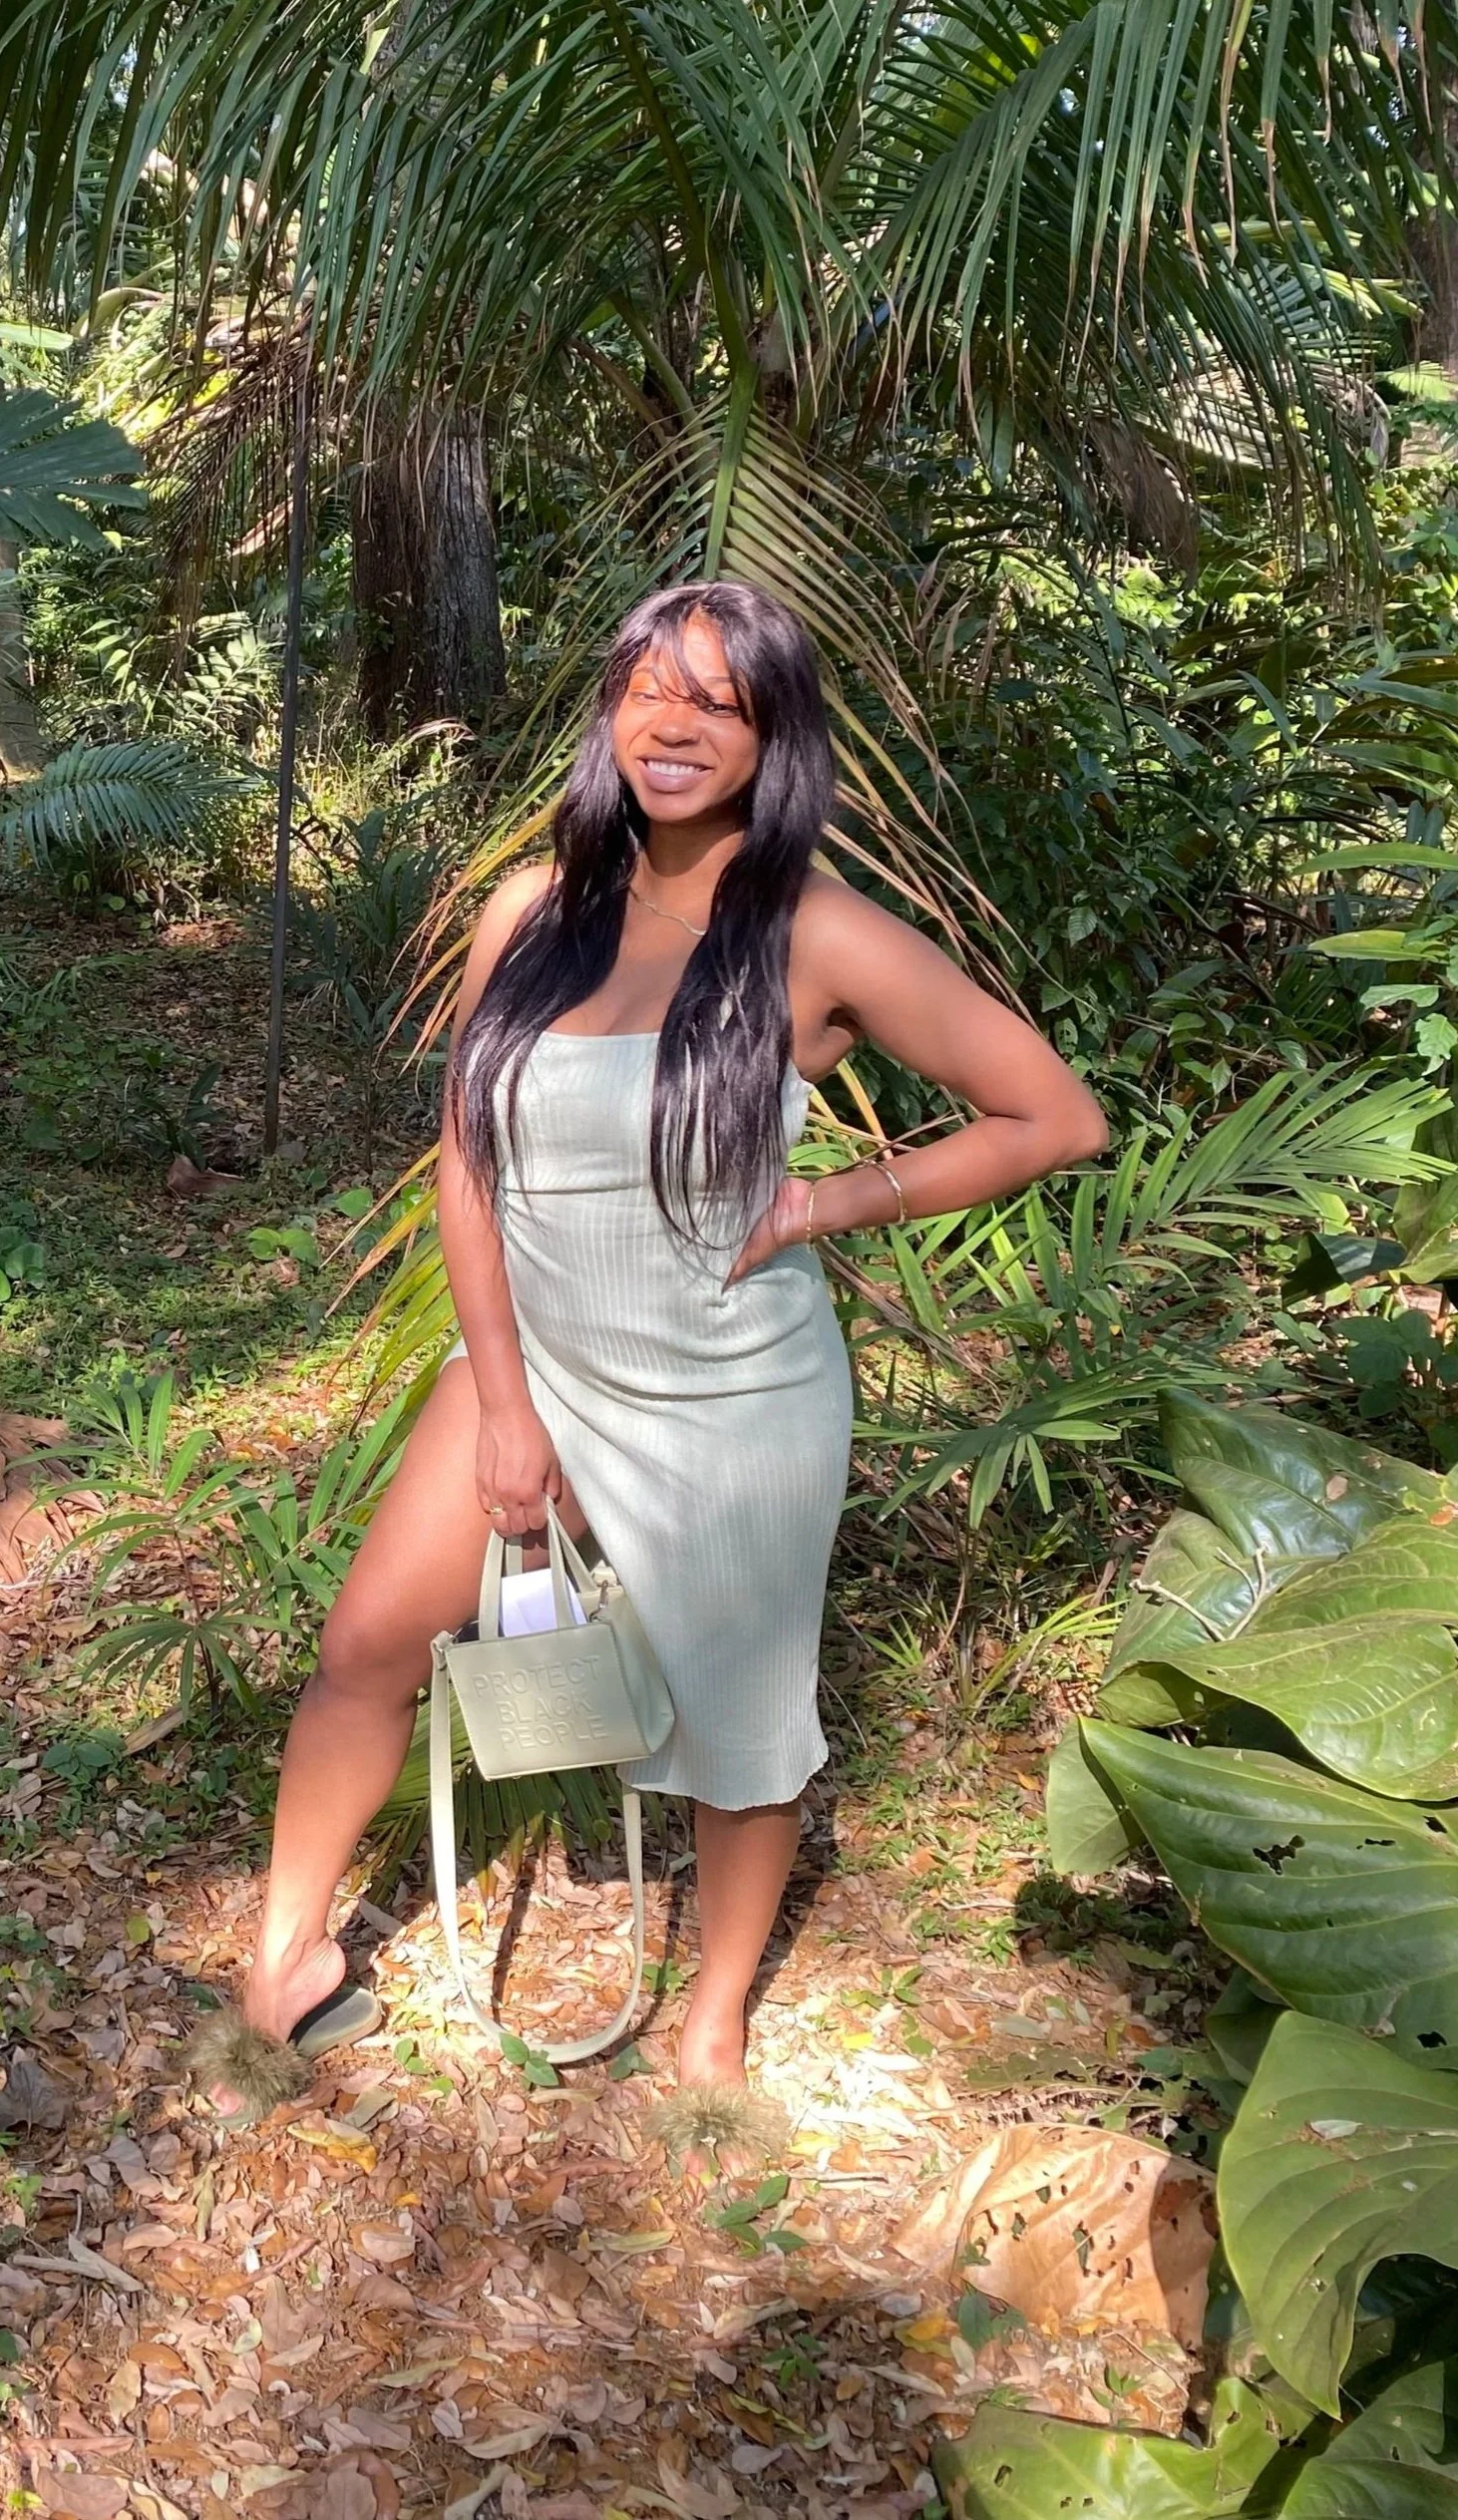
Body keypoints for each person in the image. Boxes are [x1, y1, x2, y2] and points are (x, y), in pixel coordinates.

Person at [185, 580, 1108, 2134]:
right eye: (646, 691)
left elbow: (1053, 1114)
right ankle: (281, 1961)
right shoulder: (528, 916)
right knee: (366, 1645)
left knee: (743, 1724)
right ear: (609, 712)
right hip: (534, 1364)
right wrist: (498, 1398)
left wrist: (828, 1197)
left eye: (718, 702)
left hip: (735, 1398)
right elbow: (465, 1164)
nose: (672, 724)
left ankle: (710, 2035)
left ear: (772, 736)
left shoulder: (814, 932)